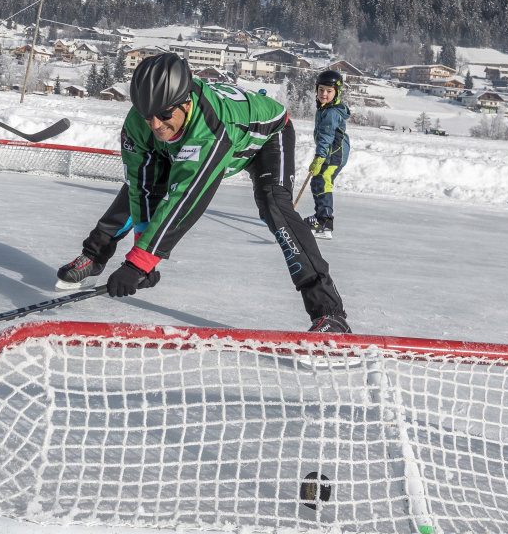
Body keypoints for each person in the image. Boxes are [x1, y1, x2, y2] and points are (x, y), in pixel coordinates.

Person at [56, 54, 351, 332]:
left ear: (186, 104)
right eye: (147, 116)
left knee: (275, 206)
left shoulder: (209, 128)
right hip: (193, 141)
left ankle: (329, 313)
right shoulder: (140, 123)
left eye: (164, 114)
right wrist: (141, 258)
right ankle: (94, 256)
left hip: (266, 138)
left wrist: (139, 262)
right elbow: (142, 188)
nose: (155, 124)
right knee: (139, 187)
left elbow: (185, 201)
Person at [306, 70, 351, 238]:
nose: (324, 94)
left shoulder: (331, 112)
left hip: (335, 154)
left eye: (329, 91)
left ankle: (325, 223)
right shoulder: (325, 108)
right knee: (318, 182)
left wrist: (319, 157)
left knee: (323, 182)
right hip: (331, 153)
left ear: (337, 92)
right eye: (321, 90)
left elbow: (326, 136)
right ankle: (320, 216)